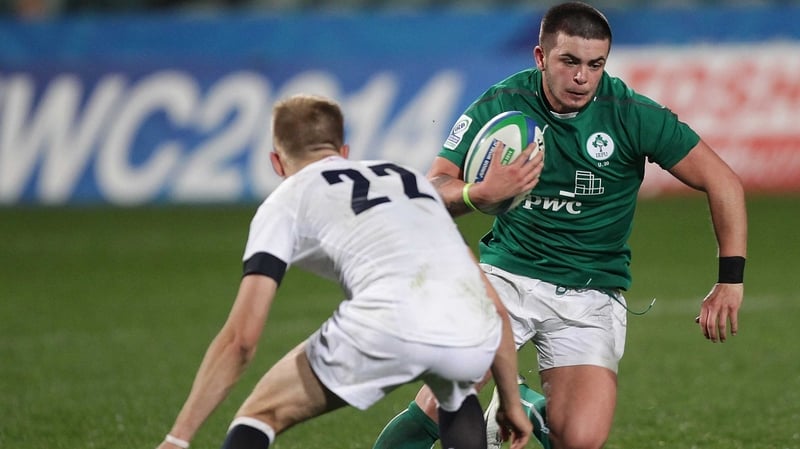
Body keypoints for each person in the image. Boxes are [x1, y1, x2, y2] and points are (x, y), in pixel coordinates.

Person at [372, 2, 747, 449]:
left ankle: (529, 408)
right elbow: (431, 189)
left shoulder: (630, 113)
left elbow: (723, 180)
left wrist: (730, 280)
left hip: (589, 293)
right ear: (540, 57)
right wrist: (479, 194)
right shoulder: (502, 104)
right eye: (569, 61)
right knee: (443, 402)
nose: (583, 77)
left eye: (595, 64)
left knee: (581, 439)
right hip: (504, 279)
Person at [155, 94, 533, 449]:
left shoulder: (286, 200)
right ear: (344, 152)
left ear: (276, 162)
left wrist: (179, 438)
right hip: (469, 326)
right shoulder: (406, 179)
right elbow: (490, 300)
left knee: (261, 414)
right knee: (458, 393)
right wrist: (510, 401)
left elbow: (241, 339)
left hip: (389, 321)